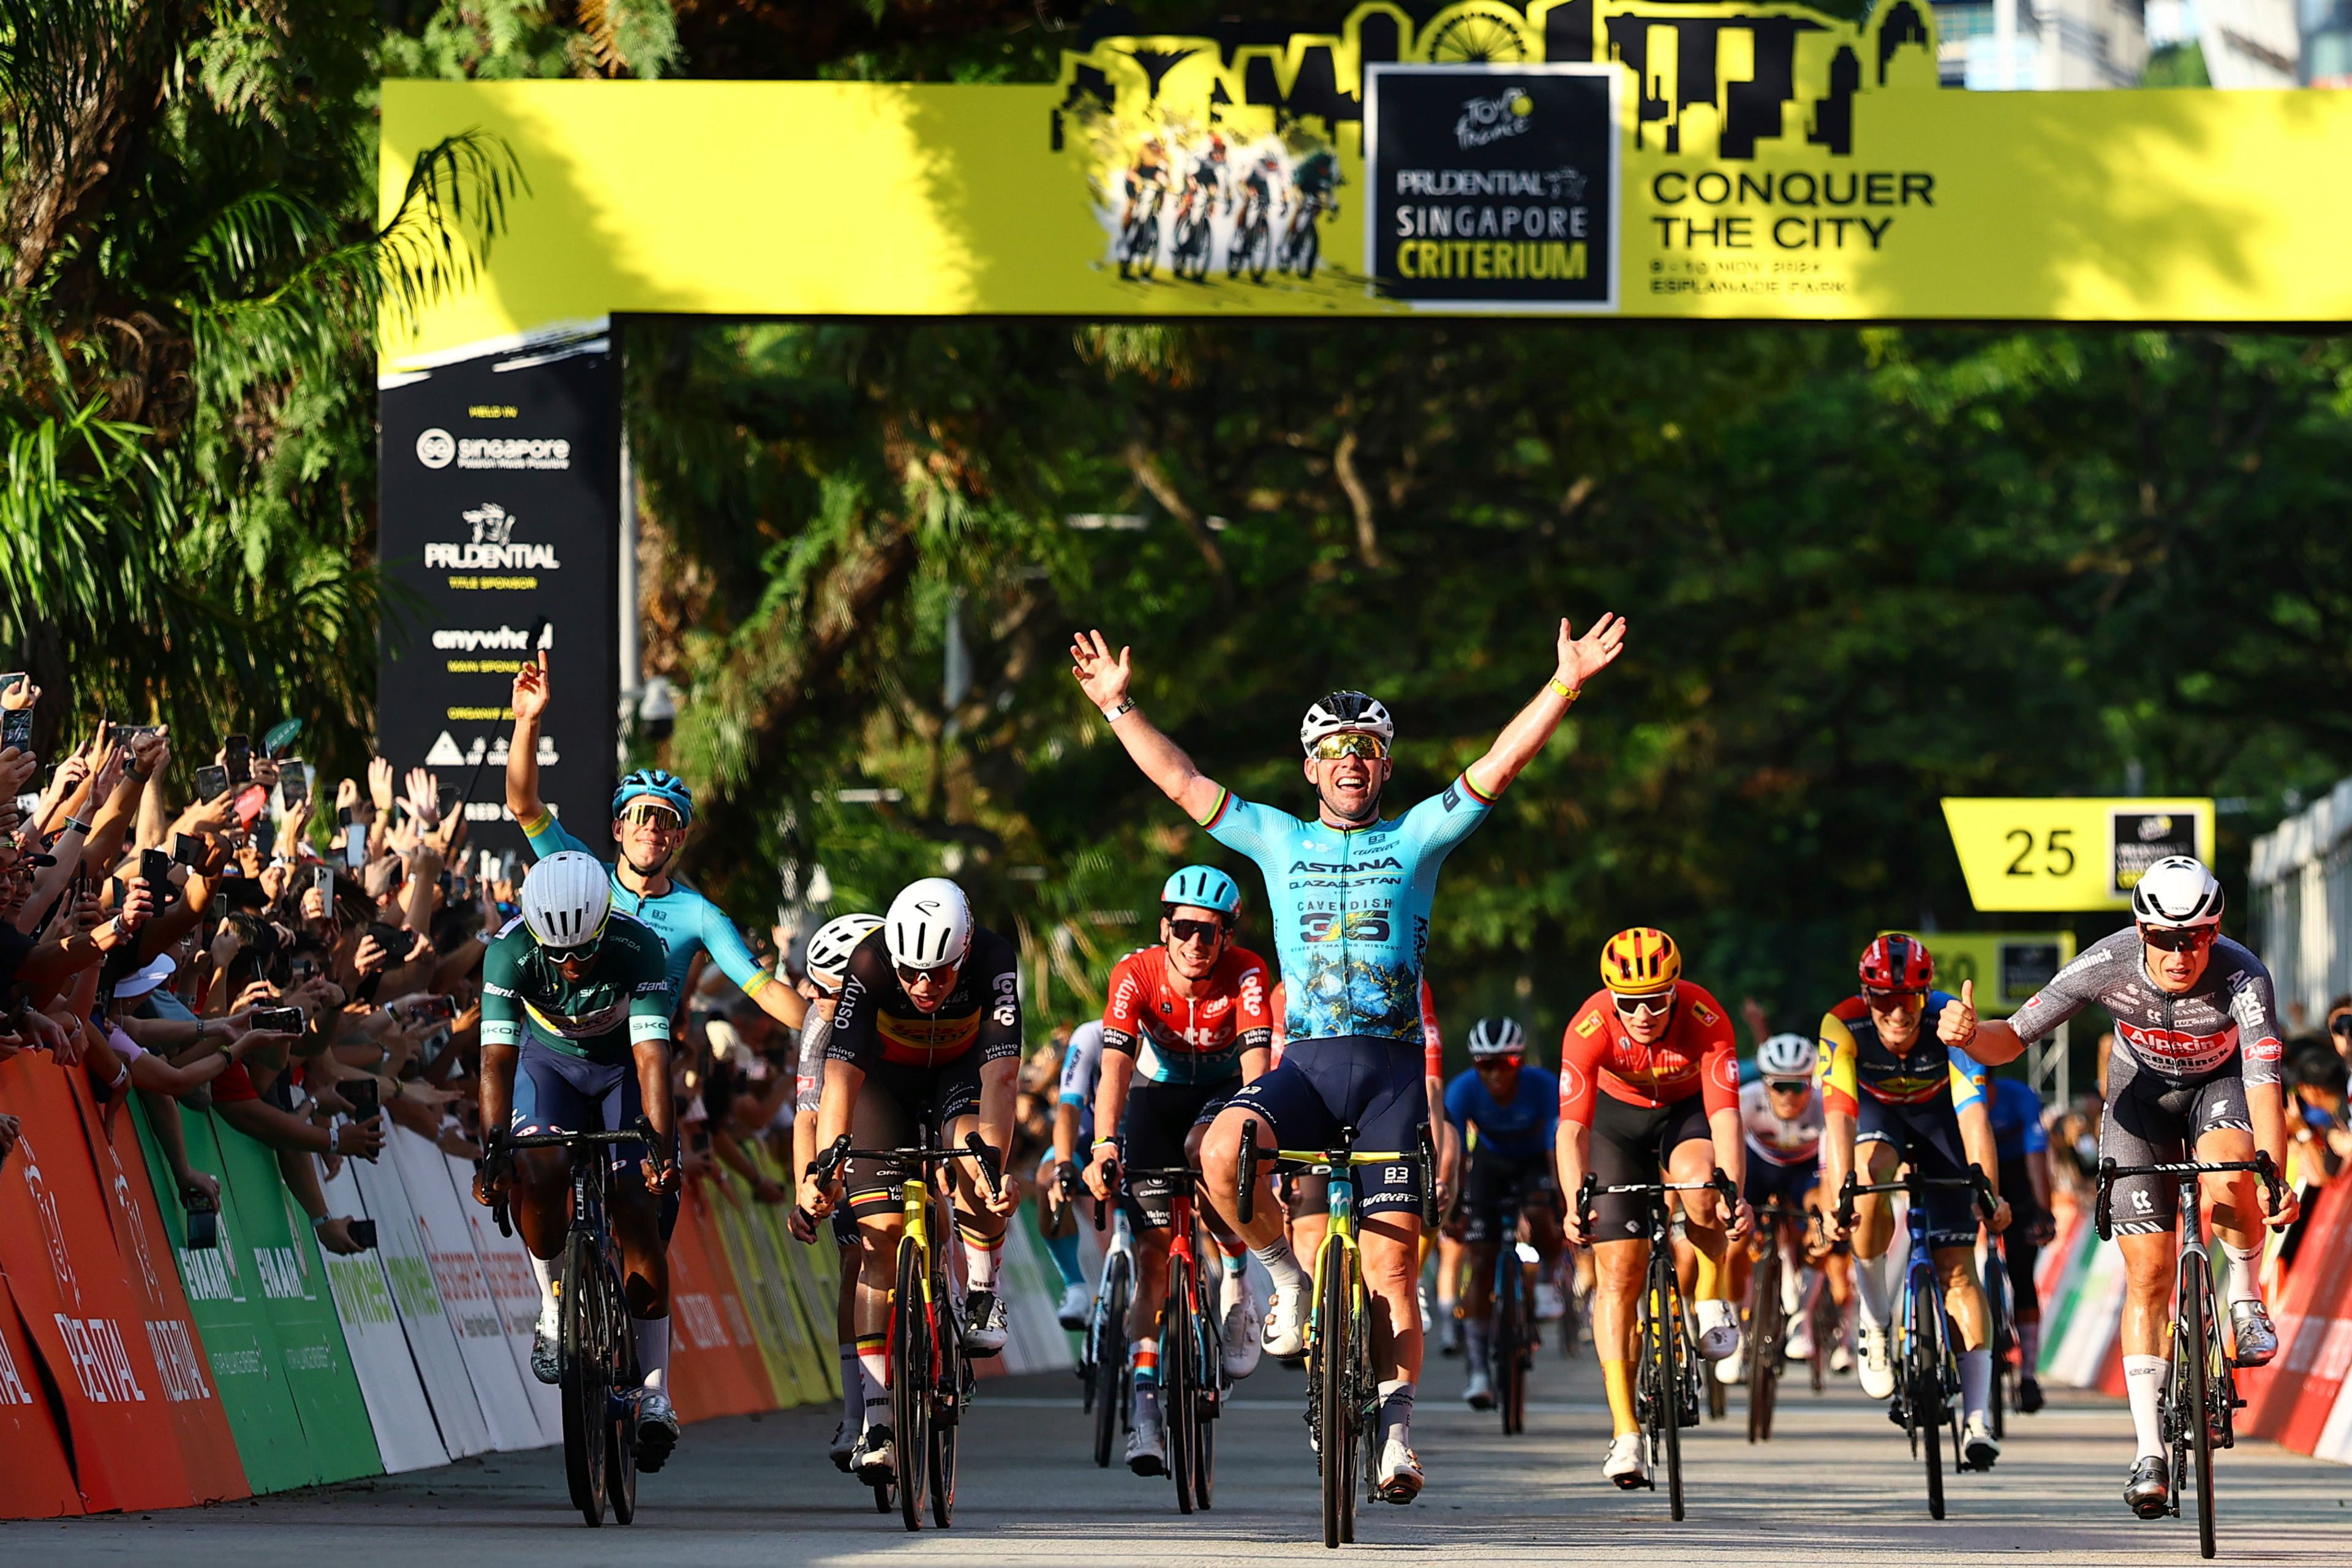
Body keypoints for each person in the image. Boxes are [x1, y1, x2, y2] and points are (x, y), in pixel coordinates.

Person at [1071, 609, 1624, 1503]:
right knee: (1218, 1153)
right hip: (1309, 1066)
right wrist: (1118, 705)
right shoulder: (1277, 836)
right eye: (1334, 749)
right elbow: (1182, 783)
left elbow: (1500, 766)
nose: (1350, 761)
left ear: (1385, 767)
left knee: (1391, 1270)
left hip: (1392, 1076)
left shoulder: (1418, 838)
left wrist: (1563, 682)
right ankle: (1282, 1278)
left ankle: (1398, 1438)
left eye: (1366, 748)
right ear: (1310, 768)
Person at [1959, 856, 2297, 1518]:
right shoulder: (2105, 961)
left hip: (2219, 1090)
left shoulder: (2244, 975)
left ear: (2215, 930)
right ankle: (2149, 1451)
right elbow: (2014, 1038)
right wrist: (1973, 1036)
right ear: (2141, 931)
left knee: (2235, 1174)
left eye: (2196, 937)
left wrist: (2272, 1175)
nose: (2181, 952)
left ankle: (2245, 1299)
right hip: (2137, 1100)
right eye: (2167, 938)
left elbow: (2264, 1085)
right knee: (2148, 1272)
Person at [794, 878, 1023, 1487]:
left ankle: (981, 1286)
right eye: (912, 972)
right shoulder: (869, 961)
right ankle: (877, 1421)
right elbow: (838, 1079)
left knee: (975, 1164)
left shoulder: (995, 958)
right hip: (886, 1087)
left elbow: (1002, 1078)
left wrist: (996, 1167)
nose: (925, 987)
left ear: (966, 948)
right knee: (879, 1238)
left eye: (940, 974)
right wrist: (824, 1169)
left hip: (961, 1076)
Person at [473, 850, 684, 1469]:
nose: (569, 965)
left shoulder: (637, 944)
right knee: (536, 1171)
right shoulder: (507, 953)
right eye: (557, 954)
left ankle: (653, 1393)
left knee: (635, 1203)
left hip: (621, 1063)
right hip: (549, 1064)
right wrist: (493, 1151)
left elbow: (652, 1061)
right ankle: (553, 1301)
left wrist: (658, 1147)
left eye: (583, 952)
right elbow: (496, 1062)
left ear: (602, 925)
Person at [1082, 864, 1275, 1474]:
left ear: (1228, 936)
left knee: (1207, 1149)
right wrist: (1104, 1144)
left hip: (1223, 1095)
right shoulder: (1133, 973)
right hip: (1157, 1097)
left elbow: (1256, 1071)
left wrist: (1254, 1147)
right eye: (1185, 928)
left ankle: (1239, 1280)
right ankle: (1144, 1409)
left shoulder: (1247, 972)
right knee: (1151, 1261)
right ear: (1165, 927)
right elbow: (1114, 1068)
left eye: (1210, 932)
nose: (1196, 942)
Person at [507, 649, 806, 1031]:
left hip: (640, 1062)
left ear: (678, 837)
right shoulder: (584, 873)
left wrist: (839, 1042)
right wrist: (527, 721)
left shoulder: (700, 915)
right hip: (566, 1051)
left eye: (664, 819)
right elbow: (524, 807)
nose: (651, 827)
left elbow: (764, 992)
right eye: (638, 816)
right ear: (619, 829)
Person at [1555, 926, 1748, 1488]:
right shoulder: (1589, 1026)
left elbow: (1727, 1119)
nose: (1643, 1013)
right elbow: (1572, 1131)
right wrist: (1574, 1202)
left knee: (1700, 1187)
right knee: (1620, 1275)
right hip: (1617, 1128)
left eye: (1656, 1000)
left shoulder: (1706, 1017)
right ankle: (1626, 1434)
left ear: (1675, 991)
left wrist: (1735, 1191)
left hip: (1686, 1116)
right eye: (1629, 1003)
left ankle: (1711, 1294)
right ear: (1612, 999)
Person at [1817, 933, 2008, 1472]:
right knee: (1866, 1182)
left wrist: (1988, 1192)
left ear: (1926, 993)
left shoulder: (1949, 1019)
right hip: (1878, 1119)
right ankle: (1876, 1323)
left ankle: (1977, 1418)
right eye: (1882, 998)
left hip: (1940, 1121)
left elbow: (1973, 1113)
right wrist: (1839, 1197)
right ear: (1865, 995)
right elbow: (1838, 1117)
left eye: (1909, 997)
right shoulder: (1842, 1024)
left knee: (1959, 1272)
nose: (1897, 1012)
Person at [785, 910, 882, 1474]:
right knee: (855, 1260)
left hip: (897, 1108)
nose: (817, 997)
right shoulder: (820, 1025)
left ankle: (949, 1298)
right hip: (847, 1123)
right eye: (814, 984)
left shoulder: (897, 1005)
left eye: (831, 989)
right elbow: (807, 1115)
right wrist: (807, 1189)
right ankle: (856, 1413)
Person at [1442, 1016, 1560, 1409]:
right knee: (1480, 1258)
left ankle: (1545, 1282)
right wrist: (1456, 1203)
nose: (1494, 1074)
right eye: (1484, 1065)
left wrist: (1562, 1196)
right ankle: (1478, 1371)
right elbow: (1455, 1152)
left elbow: (1555, 1147)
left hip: (1535, 1163)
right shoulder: (1462, 1090)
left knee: (1544, 1215)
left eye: (1505, 1064)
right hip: (1489, 1164)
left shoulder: (1543, 1086)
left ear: (1520, 1061)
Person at [1734, 1031, 1843, 1369]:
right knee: (1734, 1239)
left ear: (1811, 1084)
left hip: (1806, 1170)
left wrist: (1822, 1217)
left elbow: (1829, 1177)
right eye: (1780, 1086)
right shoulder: (1746, 1100)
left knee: (1821, 1226)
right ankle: (1737, 1334)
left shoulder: (1826, 1107)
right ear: (1766, 1084)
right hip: (1758, 1165)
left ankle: (1801, 1319)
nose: (1789, 1095)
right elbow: (1729, 1162)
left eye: (1798, 1086)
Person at [1984, 1071, 2054, 1413]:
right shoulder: (1953, 1098)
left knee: (2022, 1275)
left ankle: (2028, 1375)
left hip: (2016, 1176)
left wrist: (2044, 1211)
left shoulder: (2020, 1098)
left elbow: (2036, 1156)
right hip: (1972, 1173)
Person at [1044, 1016, 1107, 1327]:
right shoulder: (1091, 1035)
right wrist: (1063, 1164)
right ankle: (1076, 1287)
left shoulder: (1171, 1035)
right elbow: (1068, 1106)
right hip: (1091, 1140)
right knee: (1048, 1177)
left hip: (1145, 1141)